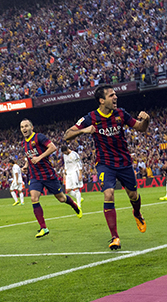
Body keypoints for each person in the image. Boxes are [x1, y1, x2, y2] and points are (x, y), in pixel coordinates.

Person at [64, 84, 150, 250]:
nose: (115, 97)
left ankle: (137, 213)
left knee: (133, 195)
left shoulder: (121, 113)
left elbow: (141, 128)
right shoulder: (90, 118)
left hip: (124, 162)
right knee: (109, 194)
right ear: (101, 100)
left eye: (115, 94)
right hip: (105, 163)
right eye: (111, 95)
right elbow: (67, 135)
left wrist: (146, 120)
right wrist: (83, 131)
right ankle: (115, 237)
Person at [20, 118, 82, 238]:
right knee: (34, 198)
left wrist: (39, 158)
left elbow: (53, 147)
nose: (24, 129)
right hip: (35, 176)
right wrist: (26, 166)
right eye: (22, 127)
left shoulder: (39, 137)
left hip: (47, 174)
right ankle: (43, 228)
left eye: (26, 126)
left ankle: (74, 205)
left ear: (31, 127)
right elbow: (29, 157)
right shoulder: (23, 143)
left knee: (61, 198)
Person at [61, 144, 83, 208]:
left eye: (65, 152)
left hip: (74, 172)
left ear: (67, 150)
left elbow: (79, 164)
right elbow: (66, 164)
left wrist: (80, 174)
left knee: (76, 189)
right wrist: (64, 173)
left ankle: (78, 205)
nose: (64, 154)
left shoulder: (74, 154)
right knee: (68, 190)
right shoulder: (64, 155)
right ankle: (79, 198)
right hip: (68, 173)